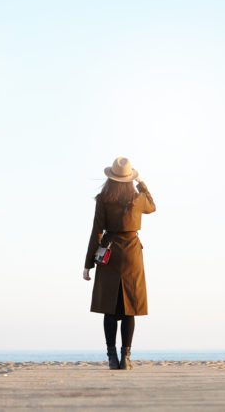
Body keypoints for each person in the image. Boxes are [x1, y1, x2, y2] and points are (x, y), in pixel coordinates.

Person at [83, 156, 156, 370]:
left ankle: (112, 357)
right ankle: (126, 357)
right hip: (132, 253)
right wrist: (141, 182)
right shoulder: (137, 198)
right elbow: (152, 206)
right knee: (129, 309)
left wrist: (88, 264)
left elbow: (96, 231)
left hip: (109, 252)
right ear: (129, 179)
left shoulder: (103, 199)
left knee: (109, 308)